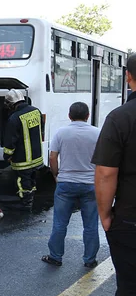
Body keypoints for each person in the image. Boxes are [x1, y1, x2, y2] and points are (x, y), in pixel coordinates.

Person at [93, 54, 136, 296]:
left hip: (130, 221)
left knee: (131, 288)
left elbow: (106, 174)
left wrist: (105, 215)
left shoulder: (122, 118)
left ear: (129, 77)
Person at [41, 102, 100, 268]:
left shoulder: (61, 133)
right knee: (90, 224)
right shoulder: (97, 133)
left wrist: (56, 174)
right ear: (87, 116)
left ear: (69, 115)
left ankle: (55, 257)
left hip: (66, 183)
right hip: (90, 184)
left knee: (60, 223)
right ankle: (90, 260)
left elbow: (53, 157)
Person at [2, 89, 44, 209]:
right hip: (36, 156)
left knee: (22, 181)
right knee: (31, 178)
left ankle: (26, 203)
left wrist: (7, 155)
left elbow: (10, 141)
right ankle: (31, 197)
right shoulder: (36, 111)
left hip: (23, 159)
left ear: (11, 104)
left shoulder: (14, 118)